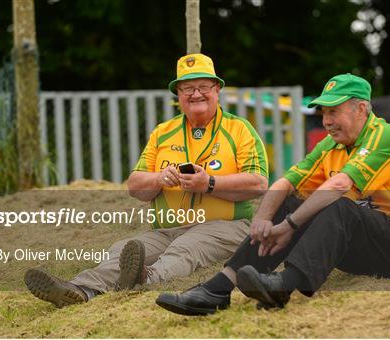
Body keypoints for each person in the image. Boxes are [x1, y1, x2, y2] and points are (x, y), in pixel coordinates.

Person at [155, 73, 390, 316]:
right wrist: (264, 219)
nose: (327, 121)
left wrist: (288, 226)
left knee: (337, 205)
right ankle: (219, 288)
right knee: (292, 202)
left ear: (361, 109)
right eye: (324, 113)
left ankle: (283, 286)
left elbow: (339, 186)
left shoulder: (387, 135)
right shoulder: (331, 146)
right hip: (368, 245)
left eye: (334, 111)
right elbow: (286, 182)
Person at [24, 53, 268, 308]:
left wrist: (209, 183)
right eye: (187, 88)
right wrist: (159, 178)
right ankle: (81, 289)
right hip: (166, 230)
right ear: (178, 95)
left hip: (226, 226)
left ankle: (147, 279)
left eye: (203, 87)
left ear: (217, 89)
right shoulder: (163, 133)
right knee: (125, 248)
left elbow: (259, 183)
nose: (196, 94)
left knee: (187, 247)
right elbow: (135, 185)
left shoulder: (239, 129)